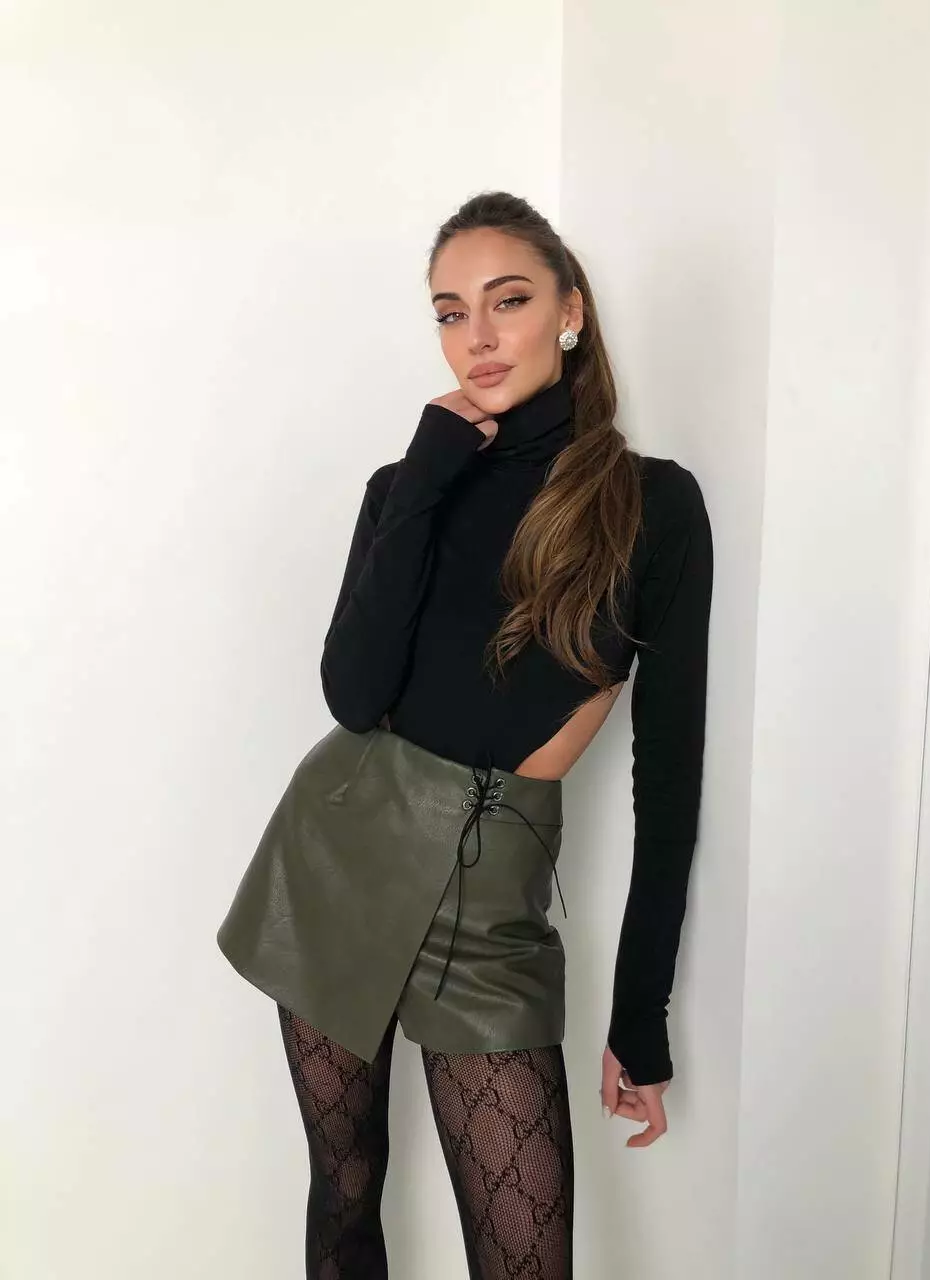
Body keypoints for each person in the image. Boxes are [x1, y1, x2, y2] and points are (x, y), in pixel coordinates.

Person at [217, 189, 714, 1279]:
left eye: (509, 300)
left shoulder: (652, 505)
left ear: (570, 312)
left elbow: (670, 774)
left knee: (524, 1257)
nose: (477, 335)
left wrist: (641, 1012)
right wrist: (425, 473)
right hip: (343, 850)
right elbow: (353, 693)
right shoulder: (406, 487)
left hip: (492, 906)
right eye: (450, 312)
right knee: (345, 1190)